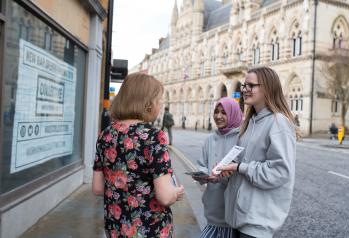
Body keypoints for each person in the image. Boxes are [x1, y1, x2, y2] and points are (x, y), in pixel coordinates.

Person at [92, 73, 185, 238]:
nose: (160, 104)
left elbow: (98, 188)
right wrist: (176, 192)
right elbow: (164, 197)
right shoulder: (154, 136)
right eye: (158, 100)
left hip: (115, 229)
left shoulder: (105, 135)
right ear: (148, 104)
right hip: (150, 231)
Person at [218, 67, 298, 238]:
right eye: (244, 85)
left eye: (250, 85)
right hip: (238, 219)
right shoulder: (249, 123)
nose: (244, 89)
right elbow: (242, 163)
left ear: (267, 88)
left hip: (257, 223)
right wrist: (228, 169)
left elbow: (280, 172)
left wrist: (241, 167)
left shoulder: (278, 123)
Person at [194, 97, 243, 238]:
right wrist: (204, 175)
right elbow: (202, 164)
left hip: (233, 214)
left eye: (224, 112)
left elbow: (244, 171)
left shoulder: (242, 138)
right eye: (216, 111)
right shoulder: (209, 139)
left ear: (233, 113)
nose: (218, 116)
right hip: (213, 210)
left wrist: (225, 176)